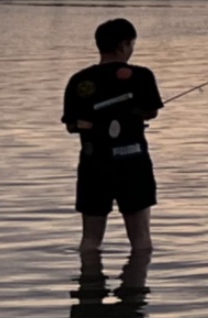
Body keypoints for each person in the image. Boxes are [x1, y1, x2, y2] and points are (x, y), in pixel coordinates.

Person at [64, 16, 163, 262]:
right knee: (141, 240)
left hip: (93, 163)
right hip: (133, 162)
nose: (132, 50)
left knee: (89, 240)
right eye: (131, 44)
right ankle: (135, 294)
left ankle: (88, 291)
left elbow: (72, 125)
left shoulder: (79, 81)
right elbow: (152, 111)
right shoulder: (141, 76)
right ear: (123, 45)